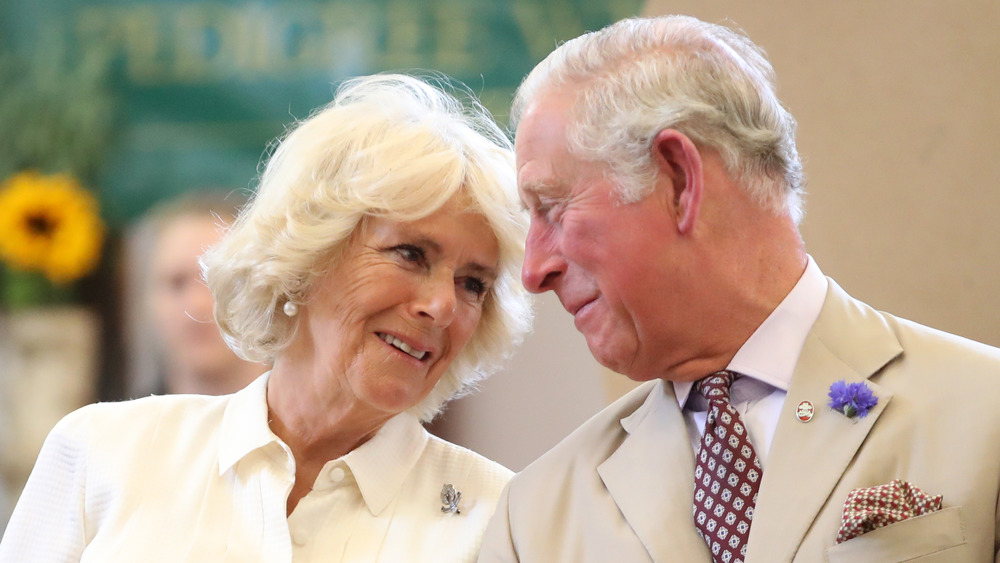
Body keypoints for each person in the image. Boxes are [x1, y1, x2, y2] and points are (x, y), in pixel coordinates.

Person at [479, 14, 1000, 563]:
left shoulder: (985, 414)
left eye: (554, 210)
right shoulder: (533, 518)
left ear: (680, 180)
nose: (534, 271)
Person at [0, 73, 532, 562]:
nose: (441, 306)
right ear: (309, 255)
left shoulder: (502, 519)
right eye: (411, 254)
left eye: (473, 284)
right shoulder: (106, 452)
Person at [132, 191, 265, 396]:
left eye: (219, 282)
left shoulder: (315, 426)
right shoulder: (120, 426)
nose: (197, 304)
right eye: (177, 283)